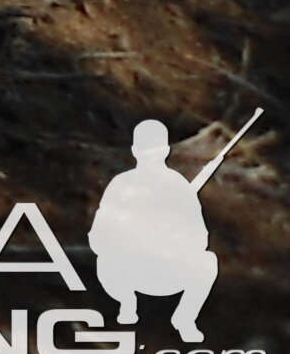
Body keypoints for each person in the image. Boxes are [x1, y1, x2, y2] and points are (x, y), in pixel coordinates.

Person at [90, 120, 219, 341]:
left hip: (167, 270)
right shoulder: (121, 184)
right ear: (135, 152)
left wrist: (172, 241)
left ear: (166, 151)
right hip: (126, 270)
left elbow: (200, 239)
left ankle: (185, 318)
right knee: (105, 260)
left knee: (208, 261)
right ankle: (127, 304)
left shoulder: (179, 187)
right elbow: (99, 236)